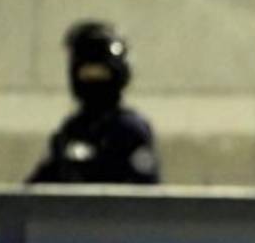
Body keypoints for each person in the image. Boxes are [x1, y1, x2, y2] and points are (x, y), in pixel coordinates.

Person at [27, 20, 160, 184]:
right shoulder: (72, 129)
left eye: (101, 74)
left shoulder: (129, 129)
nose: (93, 81)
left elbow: (143, 193)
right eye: (87, 74)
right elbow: (40, 187)